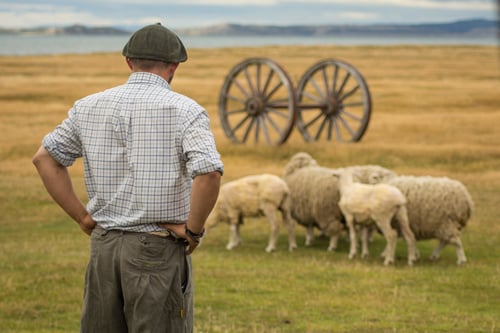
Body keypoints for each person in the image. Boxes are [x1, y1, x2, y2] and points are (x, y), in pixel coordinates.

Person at [32, 23, 223, 332]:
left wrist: (82, 217)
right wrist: (193, 230)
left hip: (103, 246)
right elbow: (210, 172)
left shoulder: (88, 106)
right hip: (158, 249)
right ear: (174, 66)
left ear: (129, 62)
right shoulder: (186, 110)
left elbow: (44, 159)